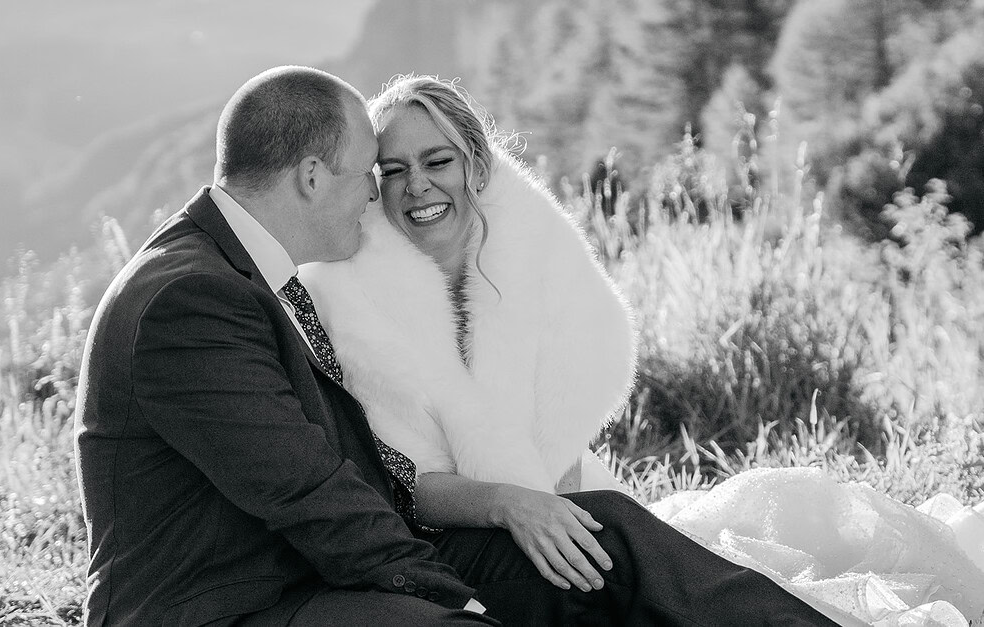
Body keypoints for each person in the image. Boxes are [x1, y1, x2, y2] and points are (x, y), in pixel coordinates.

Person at [301, 75, 984, 627]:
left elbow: (559, 422)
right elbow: (395, 477)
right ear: (371, 184)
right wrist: (515, 504)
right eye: (393, 170)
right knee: (618, 543)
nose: (416, 183)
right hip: (442, 526)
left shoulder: (513, 258)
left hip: (549, 497)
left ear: (474, 165)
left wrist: (552, 508)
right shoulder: (352, 299)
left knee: (617, 545)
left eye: (436, 160)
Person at [74, 66, 488, 626]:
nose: (374, 193)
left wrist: (499, 508)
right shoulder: (190, 300)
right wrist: (453, 596)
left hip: (308, 578)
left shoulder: (252, 273)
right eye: (367, 171)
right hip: (228, 608)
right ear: (312, 177)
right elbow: (307, 490)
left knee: (605, 547)